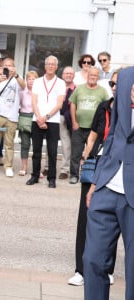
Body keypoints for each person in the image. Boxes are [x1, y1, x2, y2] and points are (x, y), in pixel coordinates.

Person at [83, 67, 134, 300]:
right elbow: (112, 135)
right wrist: (96, 182)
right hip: (107, 187)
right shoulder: (125, 76)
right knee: (92, 260)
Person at [68, 70, 119, 287]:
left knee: (111, 221)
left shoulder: (128, 111)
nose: (115, 87)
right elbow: (94, 134)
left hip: (116, 168)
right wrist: (85, 157)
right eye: (112, 83)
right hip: (96, 164)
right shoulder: (104, 106)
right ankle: (80, 269)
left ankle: (106, 269)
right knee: (86, 217)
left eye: (119, 83)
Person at [26, 55, 65, 188]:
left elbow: (59, 104)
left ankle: (51, 178)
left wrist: (46, 117)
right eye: (48, 64)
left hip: (53, 120)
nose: (50, 66)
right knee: (36, 150)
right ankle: (34, 176)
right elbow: (34, 101)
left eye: (53, 64)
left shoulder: (60, 83)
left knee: (52, 151)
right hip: (36, 119)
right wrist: (39, 117)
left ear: (57, 67)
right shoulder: (37, 81)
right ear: (45, 66)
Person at [69, 67, 108, 184]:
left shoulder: (102, 91)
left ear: (98, 77)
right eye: (91, 74)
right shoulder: (79, 88)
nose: (93, 77)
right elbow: (72, 105)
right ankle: (74, 175)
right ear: (87, 75)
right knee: (76, 153)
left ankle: (87, 174)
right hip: (78, 127)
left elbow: (106, 108)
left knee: (91, 153)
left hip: (94, 129)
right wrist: (74, 122)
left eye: (95, 75)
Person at [0, 57, 26, 177]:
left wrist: (17, 75)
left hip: (12, 116)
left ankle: (8, 166)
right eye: (6, 65)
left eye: (11, 65)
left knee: (9, 143)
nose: (8, 67)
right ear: (2, 66)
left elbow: (24, 86)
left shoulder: (17, 79)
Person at [18, 70, 38, 176]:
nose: (31, 81)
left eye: (33, 79)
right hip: (24, 118)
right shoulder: (22, 92)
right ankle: (24, 167)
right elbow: (18, 106)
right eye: (29, 79)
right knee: (25, 144)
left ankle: (36, 170)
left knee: (36, 145)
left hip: (35, 118)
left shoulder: (39, 92)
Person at [58, 66, 76, 179]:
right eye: (66, 73)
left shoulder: (77, 88)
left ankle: (64, 170)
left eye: (70, 73)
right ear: (62, 75)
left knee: (66, 145)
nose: (68, 75)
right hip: (54, 116)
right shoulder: (57, 85)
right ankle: (46, 167)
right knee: (51, 143)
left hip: (68, 119)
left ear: (73, 75)